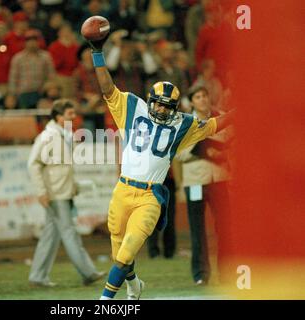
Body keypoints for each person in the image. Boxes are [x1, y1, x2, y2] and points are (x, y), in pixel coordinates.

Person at [86, 34, 233, 300]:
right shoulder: (132, 106)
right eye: (159, 105)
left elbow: (213, 125)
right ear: (150, 100)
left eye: (168, 107)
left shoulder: (183, 124)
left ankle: (105, 301)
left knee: (128, 251)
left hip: (150, 196)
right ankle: (134, 285)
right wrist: (97, 52)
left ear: (175, 108)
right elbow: (107, 88)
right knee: (118, 254)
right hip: (122, 190)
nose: (163, 111)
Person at [27, 99, 105, 287]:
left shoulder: (64, 135)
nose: (74, 117)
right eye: (70, 114)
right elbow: (33, 164)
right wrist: (41, 191)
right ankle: (88, 272)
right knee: (69, 233)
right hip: (56, 193)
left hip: (61, 191)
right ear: (58, 117)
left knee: (50, 235)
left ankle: (37, 276)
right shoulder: (47, 137)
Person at [175, 85, 232, 285]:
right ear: (191, 102)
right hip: (195, 181)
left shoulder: (222, 116)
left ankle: (227, 272)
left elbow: (233, 143)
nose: (202, 99)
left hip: (219, 179)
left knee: (225, 227)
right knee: (197, 229)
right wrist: (204, 149)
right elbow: (179, 153)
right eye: (197, 97)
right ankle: (200, 274)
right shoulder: (184, 122)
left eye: (204, 95)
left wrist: (220, 153)